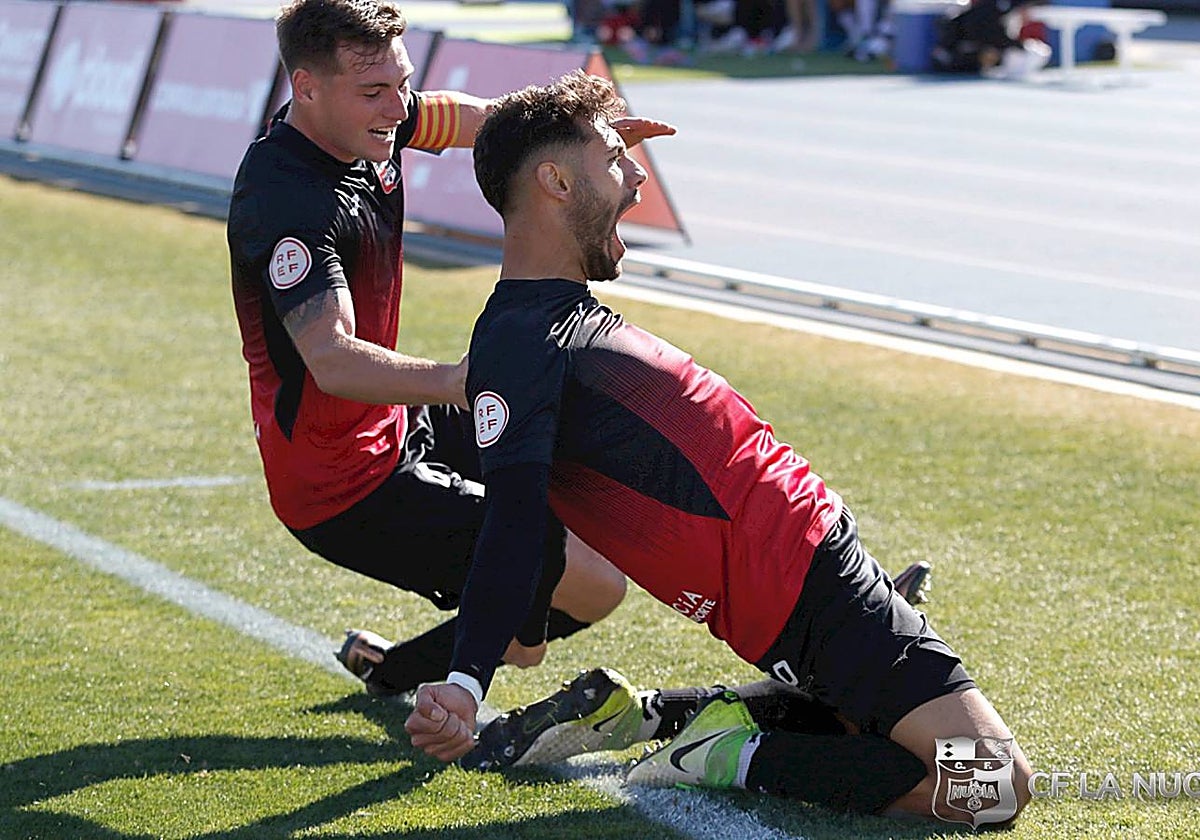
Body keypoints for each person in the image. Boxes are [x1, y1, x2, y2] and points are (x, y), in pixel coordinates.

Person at [402, 69, 1032, 823]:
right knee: (996, 785)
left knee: (871, 730)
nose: (636, 177)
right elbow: (513, 523)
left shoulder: (550, 315)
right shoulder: (520, 340)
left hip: (812, 569)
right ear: (555, 183)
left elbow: (539, 151)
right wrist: (466, 681)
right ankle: (723, 754)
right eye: (613, 160)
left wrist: (588, 136)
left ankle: (675, 717)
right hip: (806, 591)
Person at [227, 0, 671, 697]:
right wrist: (468, 380)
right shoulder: (287, 201)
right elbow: (333, 358)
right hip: (343, 489)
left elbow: (482, 121)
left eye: (402, 83)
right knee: (593, 587)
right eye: (374, 92)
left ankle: (400, 668)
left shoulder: (373, 118)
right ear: (305, 88)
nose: (397, 106)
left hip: (402, 422)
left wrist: (591, 142)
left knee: (596, 470)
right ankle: (484, 652)